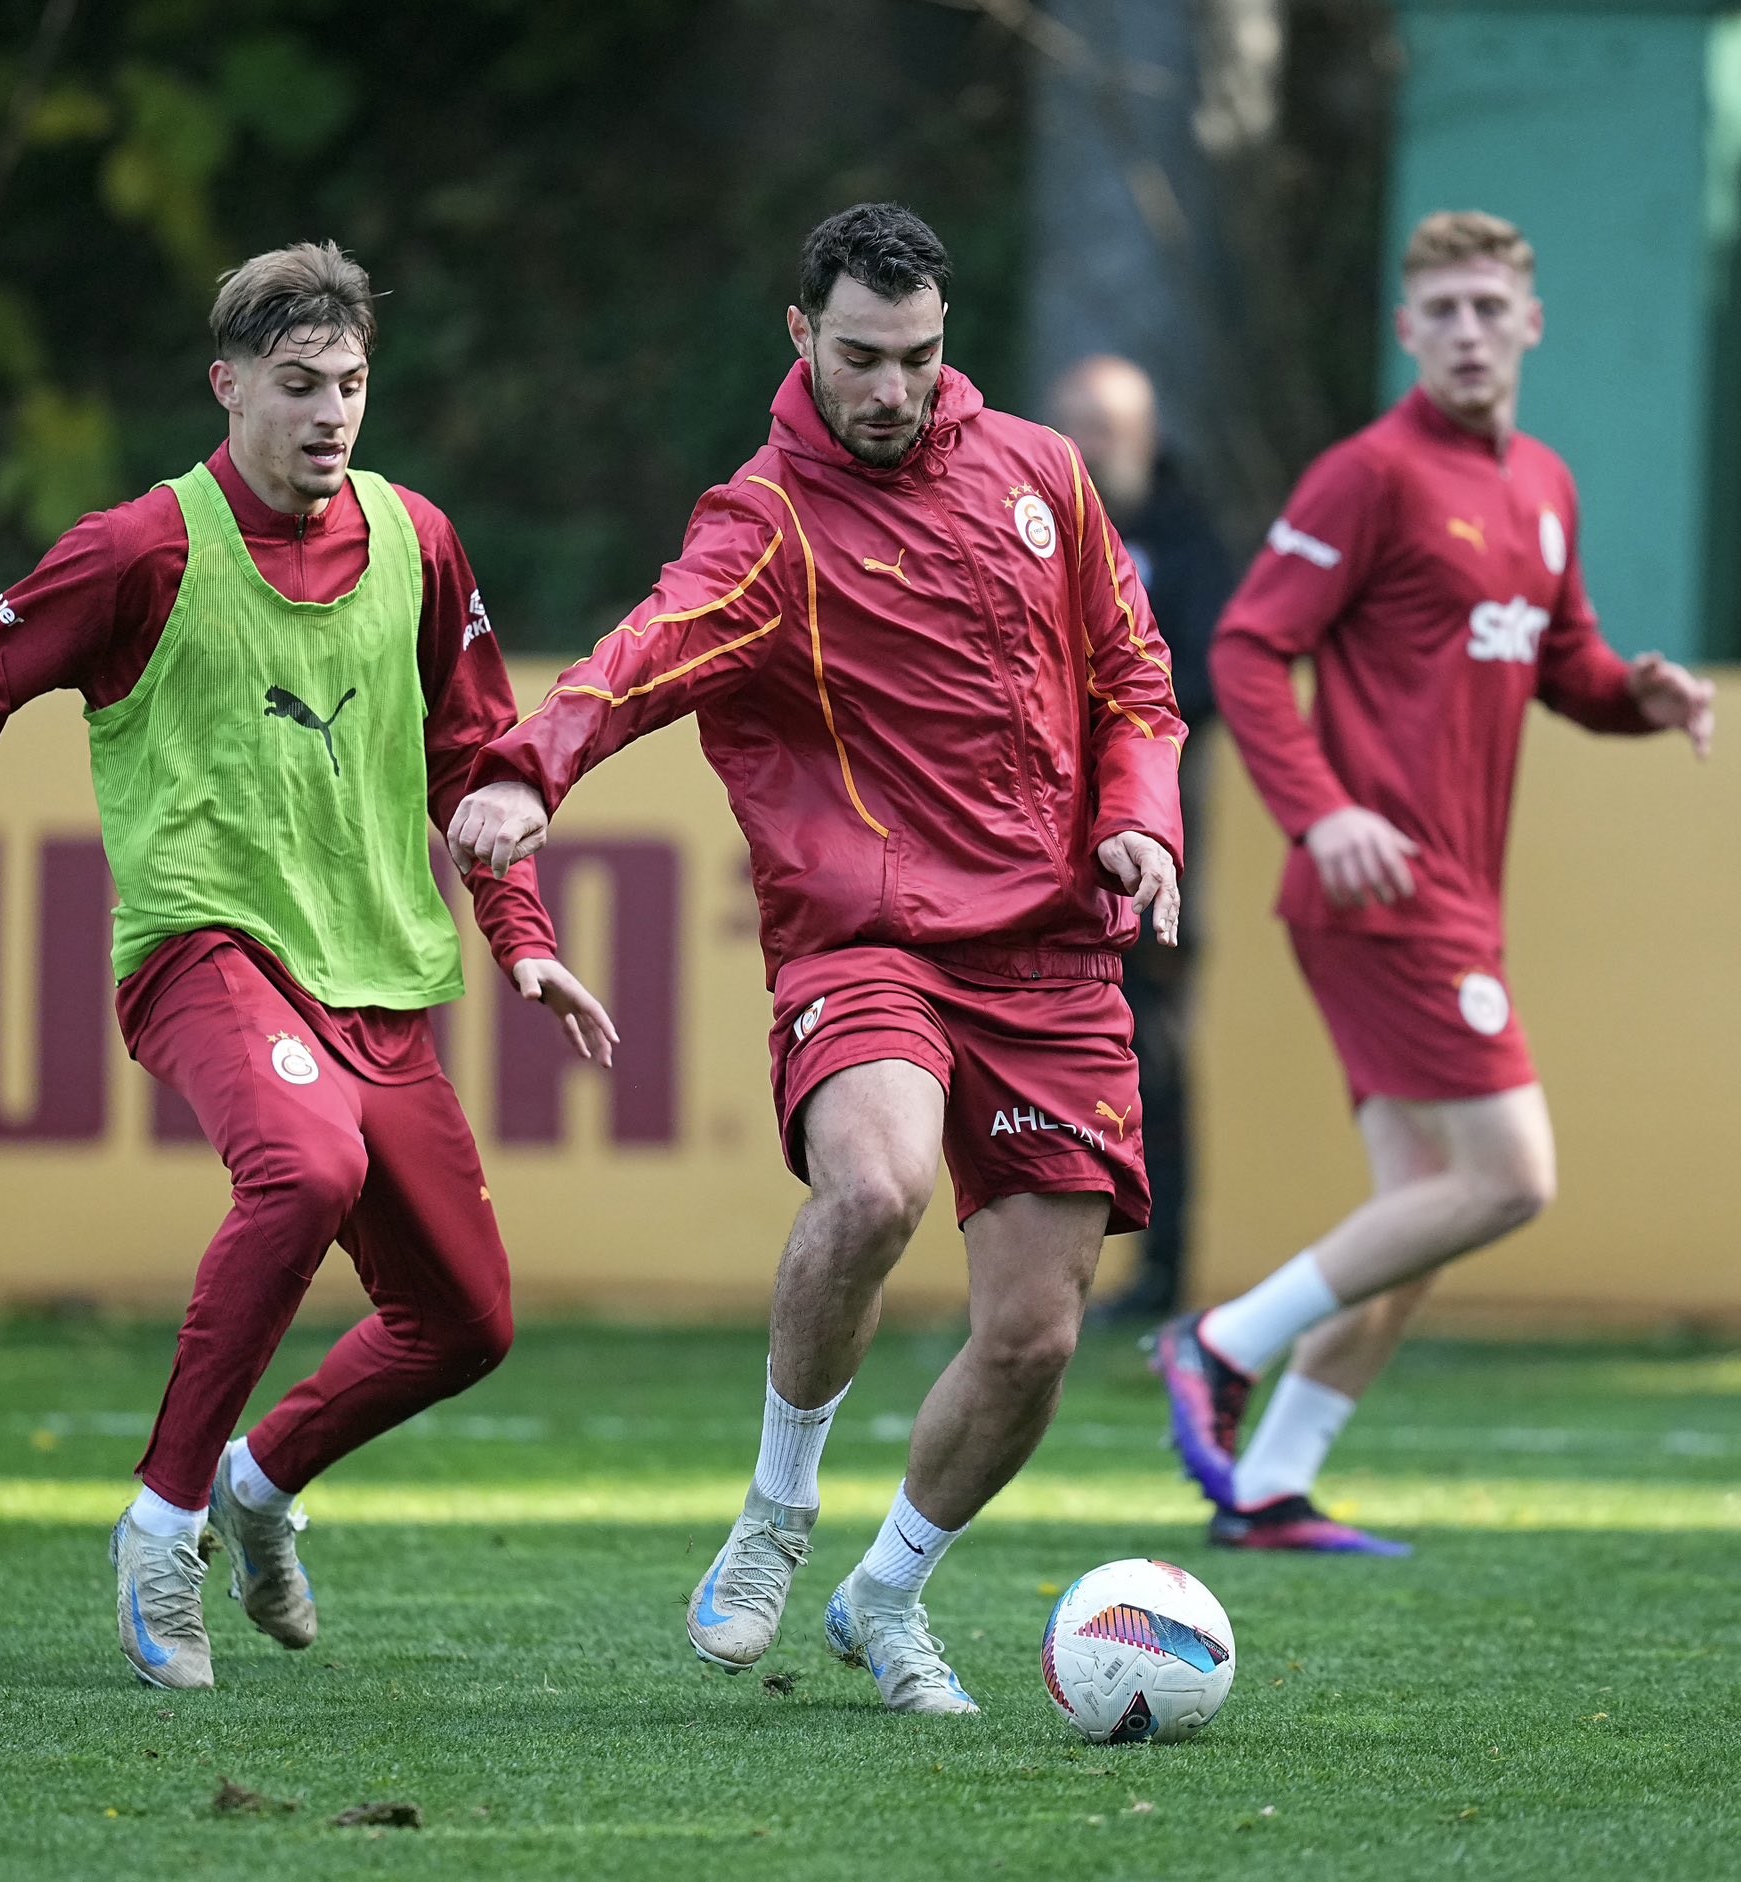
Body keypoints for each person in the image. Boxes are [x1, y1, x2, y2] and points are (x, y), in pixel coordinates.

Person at [0, 241, 617, 1688]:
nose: (330, 415)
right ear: (226, 382)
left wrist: (525, 937)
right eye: (298, 385)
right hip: (204, 944)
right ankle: (163, 1519)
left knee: (467, 1324)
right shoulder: (142, 549)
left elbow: (472, 759)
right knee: (303, 1169)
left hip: (378, 973)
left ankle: (258, 1485)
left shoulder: (421, 540)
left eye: (352, 385)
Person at [448, 203, 1185, 1713]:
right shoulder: (766, 520)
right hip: (873, 941)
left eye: (916, 357)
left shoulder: (1045, 472)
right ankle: (779, 1515)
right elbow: (647, 648)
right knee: (876, 1181)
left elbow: (1136, 678)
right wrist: (534, 765)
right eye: (859, 356)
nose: (890, 388)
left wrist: (1143, 824)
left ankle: (886, 1593)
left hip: (1052, 956)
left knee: (1037, 1334)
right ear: (801, 337)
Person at [1154, 211, 1715, 1554]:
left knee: (1419, 1214)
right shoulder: (1373, 474)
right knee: (1512, 1176)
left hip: (1452, 891)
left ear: (1532, 323)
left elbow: (1566, 663)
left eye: (1489, 307)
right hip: (1381, 890)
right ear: (1408, 331)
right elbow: (1241, 651)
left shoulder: (1547, 488)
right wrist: (1321, 811)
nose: (1469, 330)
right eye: (1444, 310)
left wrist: (1640, 695)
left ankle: (1274, 1485)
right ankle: (1218, 1344)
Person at [1051, 357, 1234, 1319]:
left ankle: (1162, 1272)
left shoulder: (1184, 538)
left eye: (1112, 425)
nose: (1094, 445)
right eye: (1077, 424)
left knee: (1151, 1059)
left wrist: (1118, 719)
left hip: (1151, 844)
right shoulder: (1024, 529)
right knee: (1036, 1055)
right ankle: (1040, 1271)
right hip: (1031, 843)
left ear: (1148, 435)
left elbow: (1206, 676)